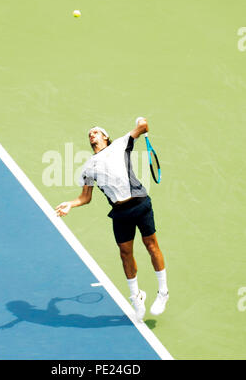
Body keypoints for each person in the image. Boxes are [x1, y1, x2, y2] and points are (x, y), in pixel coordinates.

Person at [55, 119, 169, 321]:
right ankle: (136, 297)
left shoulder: (121, 144)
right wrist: (70, 204)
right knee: (125, 254)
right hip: (120, 212)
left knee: (151, 245)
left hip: (140, 203)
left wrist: (142, 123)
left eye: (96, 132)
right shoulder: (87, 168)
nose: (92, 134)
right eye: (90, 133)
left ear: (105, 136)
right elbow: (86, 197)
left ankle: (163, 292)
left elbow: (143, 127)